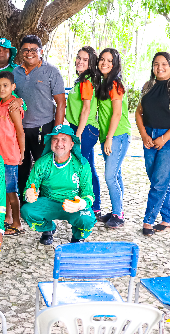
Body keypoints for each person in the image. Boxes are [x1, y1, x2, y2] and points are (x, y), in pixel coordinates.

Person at [135, 52, 170, 236]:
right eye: (156, 64)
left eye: (164, 64)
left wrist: (164, 138)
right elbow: (138, 113)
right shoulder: (148, 86)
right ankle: (167, 219)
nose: (160, 67)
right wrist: (144, 135)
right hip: (149, 137)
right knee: (158, 179)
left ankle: (148, 220)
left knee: (159, 181)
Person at [21, 125, 96, 245]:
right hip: (48, 203)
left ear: (72, 144)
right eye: (55, 139)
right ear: (50, 143)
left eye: (64, 139)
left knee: (87, 218)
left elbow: (89, 194)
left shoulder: (82, 165)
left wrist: (82, 204)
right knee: (27, 210)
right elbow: (30, 187)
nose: (59, 143)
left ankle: (77, 237)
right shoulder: (42, 163)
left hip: (72, 204)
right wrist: (28, 194)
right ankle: (48, 228)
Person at [13, 34, 66, 203]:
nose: (29, 53)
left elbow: (61, 103)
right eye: (25, 50)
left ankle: (48, 202)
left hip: (44, 127)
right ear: (21, 52)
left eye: (33, 50)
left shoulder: (51, 71)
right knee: (22, 166)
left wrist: (56, 131)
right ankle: (23, 204)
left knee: (44, 166)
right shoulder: (15, 72)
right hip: (19, 129)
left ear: (41, 51)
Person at [96, 48, 131, 229]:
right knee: (115, 175)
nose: (105, 63)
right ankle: (118, 209)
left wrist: (109, 138)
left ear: (115, 64)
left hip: (117, 135)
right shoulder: (104, 82)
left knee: (110, 177)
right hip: (109, 135)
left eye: (109, 61)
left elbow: (117, 114)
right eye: (102, 59)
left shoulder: (115, 84)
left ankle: (119, 215)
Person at [65, 47, 102, 218]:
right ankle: (94, 204)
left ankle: (91, 205)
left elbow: (87, 109)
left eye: (85, 59)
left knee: (83, 168)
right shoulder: (81, 80)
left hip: (84, 129)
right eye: (78, 57)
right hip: (79, 128)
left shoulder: (87, 81)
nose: (80, 61)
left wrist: (78, 134)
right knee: (89, 166)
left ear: (91, 63)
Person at [0, 71, 25, 235]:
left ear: (13, 87)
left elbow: (20, 131)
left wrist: (22, 153)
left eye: (5, 86)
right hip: (0, 155)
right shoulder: (2, 104)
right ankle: (8, 217)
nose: (1, 89)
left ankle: (18, 223)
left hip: (10, 155)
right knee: (5, 189)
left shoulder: (13, 105)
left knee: (12, 191)